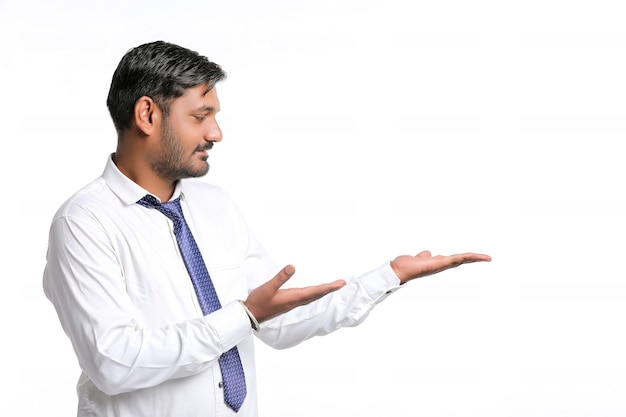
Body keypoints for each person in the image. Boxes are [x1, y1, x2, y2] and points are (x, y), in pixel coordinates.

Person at [42, 40, 491, 417]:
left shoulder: (215, 205)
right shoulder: (84, 223)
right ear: (147, 115)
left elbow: (276, 322)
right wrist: (244, 314)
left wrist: (389, 275)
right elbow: (114, 362)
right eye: (200, 116)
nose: (216, 133)